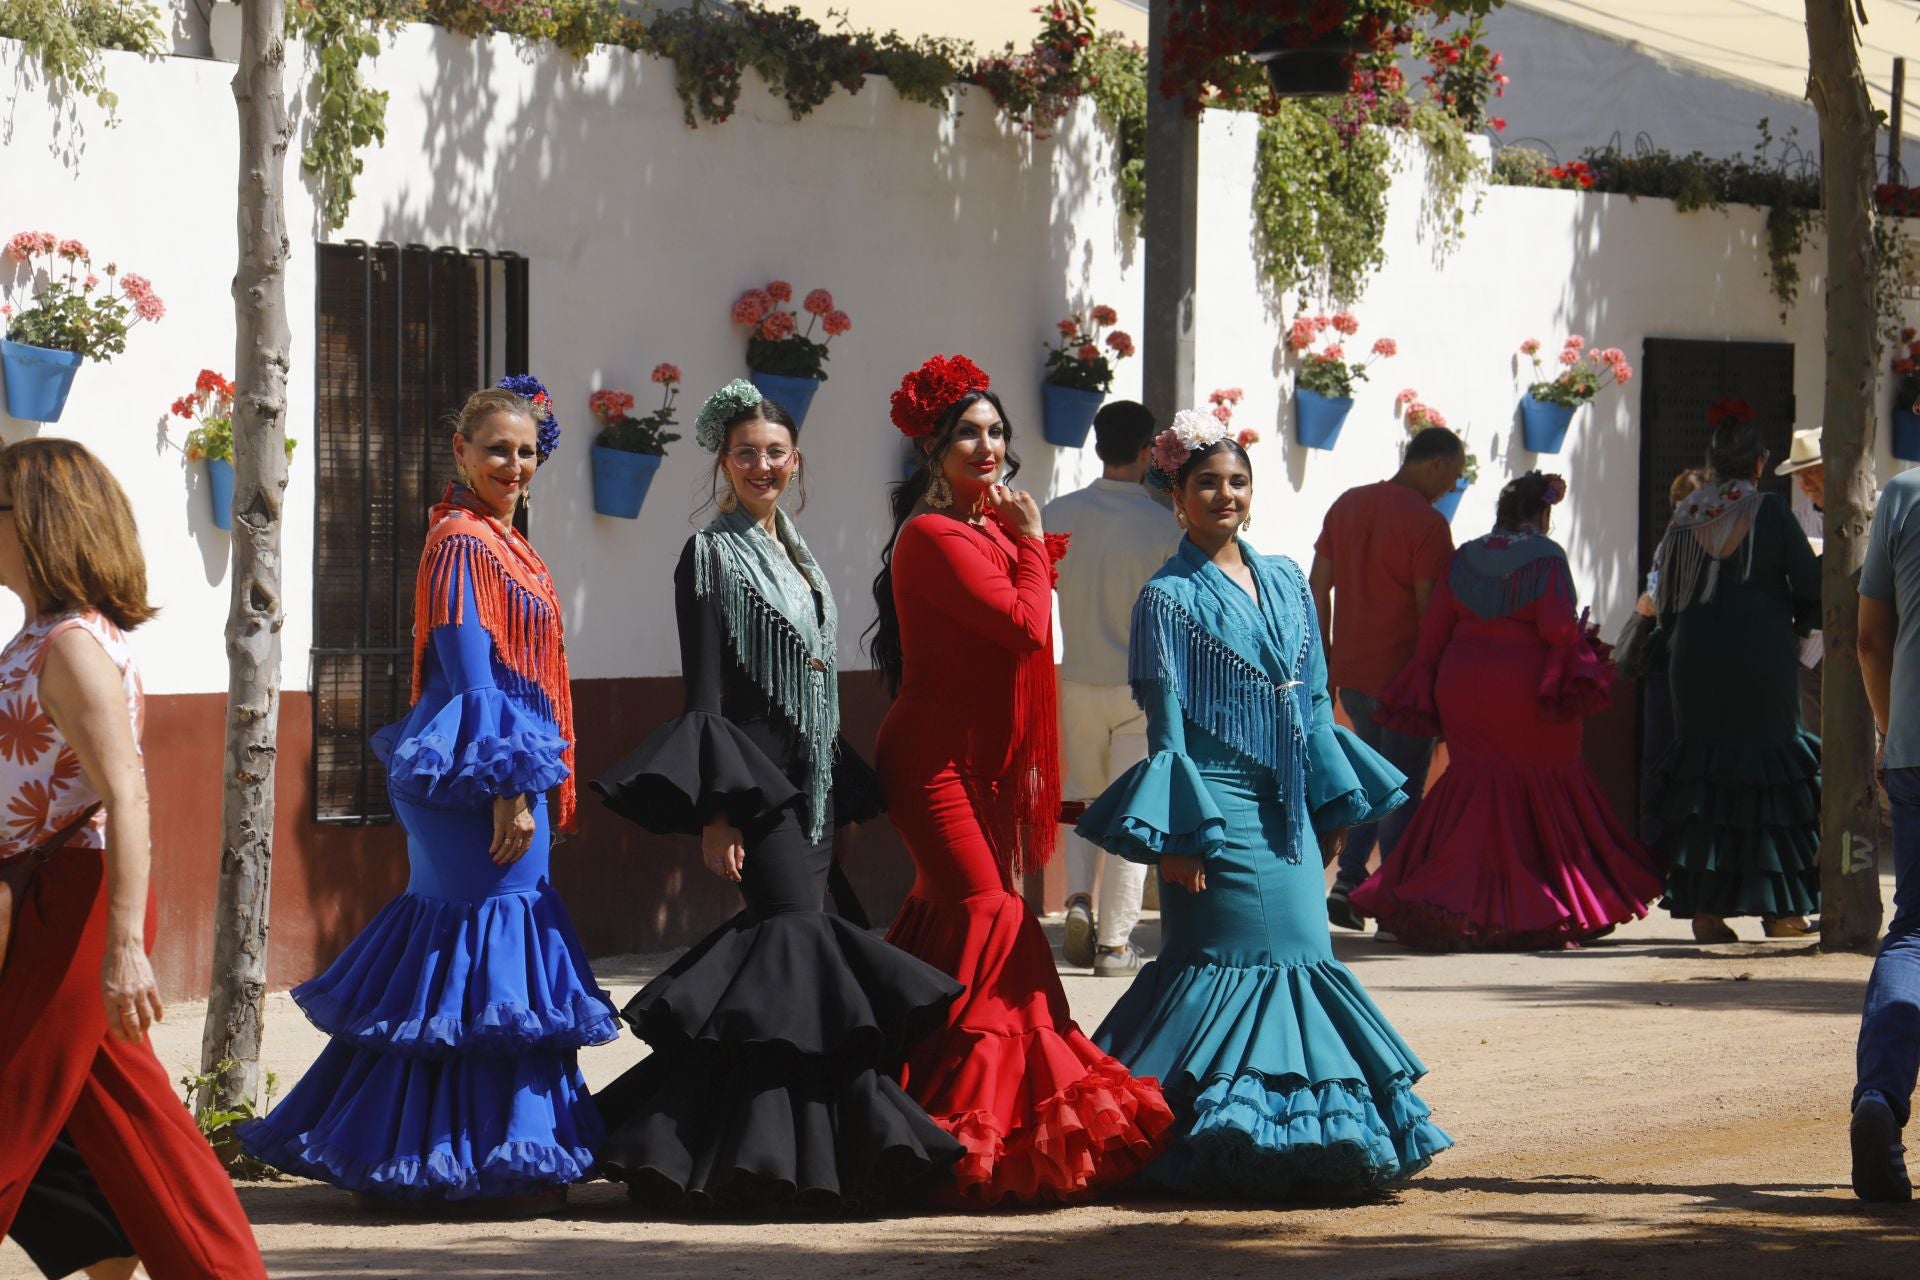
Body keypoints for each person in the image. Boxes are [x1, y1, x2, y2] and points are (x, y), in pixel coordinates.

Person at [240, 379, 617, 1207]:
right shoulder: (459, 541)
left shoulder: (507, 541)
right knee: (480, 948)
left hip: (496, 767)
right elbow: (471, 667)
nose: (513, 464)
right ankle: (438, 1152)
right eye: (496, 449)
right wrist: (510, 788)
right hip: (471, 774)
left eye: (524, 452)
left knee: (492, 955)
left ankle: (495, 1149)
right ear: (461, 452)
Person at [590, 381, 963, 1211]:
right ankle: (751, 1149)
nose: (763, 465)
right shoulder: (709, 554)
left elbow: (815, 687)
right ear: (723, 461)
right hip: (754, 794)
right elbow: (706, 696)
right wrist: (717, 812)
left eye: (775, 453)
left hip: (815, 786)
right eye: (747, 452)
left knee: (795, 969)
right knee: (796, 945)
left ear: (797, 462)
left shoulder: (798, 552)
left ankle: (772, 1153)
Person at [1076, 411, 1448, 1197]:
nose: (1225, 494)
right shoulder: (1165, 599)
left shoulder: (1286, 579)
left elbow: (1314, 702)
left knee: (1308, 955)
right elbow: (1167, 731)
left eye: (1238, 481)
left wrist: (1333, 804)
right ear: (1176, 497)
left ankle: (1308, 1138)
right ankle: (1204, 1138)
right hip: (1216, 810)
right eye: (1206, 482)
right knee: (1226, 961)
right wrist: (1180, 836)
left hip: (1289, 812)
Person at [868, 355, 1173, 1206]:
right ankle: (969, 1123)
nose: (988, 445)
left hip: (993, 768)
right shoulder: (932, 536)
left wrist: (1022, 542)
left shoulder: (993, 533)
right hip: (933, 763)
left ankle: (891, 1094)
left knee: (959, 925)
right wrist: (1034, 544)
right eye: (968, 431)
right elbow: (1022, 627)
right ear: (933, 447)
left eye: (998, 431)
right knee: (992, 918)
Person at [0, 438, 266, 1276]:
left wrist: (123, 948)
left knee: (11, 1105)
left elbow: (130, 794)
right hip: (55, 897)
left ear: (37, 523)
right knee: (129, 1111)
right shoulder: (49, 634)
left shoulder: (71, 645)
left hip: (74, 900)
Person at [1350, 472, 1663, 950]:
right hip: (1523, 686)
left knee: (1472, 780)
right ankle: (1542, 903)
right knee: (1541, 780)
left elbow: (1434, 632)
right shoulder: (1546, 557)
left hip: (1463, 684)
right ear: (1542, 514)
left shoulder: (1465, 555)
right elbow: (1558, 629)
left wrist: (1428, 684)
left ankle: (1443, 900)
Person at [1648, 399, 1820, 943]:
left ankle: (1706, 912)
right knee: (1768, 768)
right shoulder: (1767, 511)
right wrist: (1798, 626)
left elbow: (1668, 599)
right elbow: (1810, 585)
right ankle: (1781, 910)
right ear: (1759, 463)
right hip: (1759, 659)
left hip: (1694, 662)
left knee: (1708, 774)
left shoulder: (1684, 516)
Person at [1043, 400, 1177, 977]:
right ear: (1149, 450)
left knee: (1079, 795)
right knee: (1132, 811)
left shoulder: (1057, 514)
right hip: (1140, 686)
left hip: (1076, 676)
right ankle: (1115, 941)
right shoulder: (1165, 523)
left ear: (1096, 447)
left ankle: (1076, 897)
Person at [1311, 427, 1464, 931]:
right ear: (1437, 464)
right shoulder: (1427, 524)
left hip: (1353, 674)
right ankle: (1394, 899)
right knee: (1401, 791)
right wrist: (1434, 681)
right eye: (1455, 476)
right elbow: (1430, 612)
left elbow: (1319, 586)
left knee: (1369, 785)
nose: (1451, 488)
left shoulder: (1348, 505)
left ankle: (1350, 883)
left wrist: (1326, 655)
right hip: (1404, 681)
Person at [1849, 460, 1920, 1202]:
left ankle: (1879, 1101)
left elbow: (1870, 640)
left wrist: (1892, 734)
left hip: (1914, 748)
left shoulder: (1901, 493)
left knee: (1916, 929)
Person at [1636, 467, 1708, 846]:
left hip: (1699, 664)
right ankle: (1657, 846)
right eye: (1682, 507)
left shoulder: (1719, 545)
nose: (1687, 514)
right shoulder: (1669, 545)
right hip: (1667, 658)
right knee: (1659, 755)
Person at [1774, 428, 1831, 732]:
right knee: (1815, 739)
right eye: (1800, 476)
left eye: (1813, 472)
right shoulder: (1794, 520)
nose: (1806, 482)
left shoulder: (1872, 509)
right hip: (1809, 650)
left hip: (1856, 642)